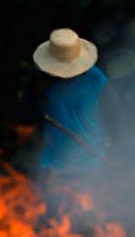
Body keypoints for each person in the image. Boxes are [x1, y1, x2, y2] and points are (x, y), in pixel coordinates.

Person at [31, 28, 111, 218]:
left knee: (84, 222)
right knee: (52, 222)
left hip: (90, 166)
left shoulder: (98, 81)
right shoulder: (43, 81)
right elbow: (34, 115)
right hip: (53, 166)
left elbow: (115, 119)